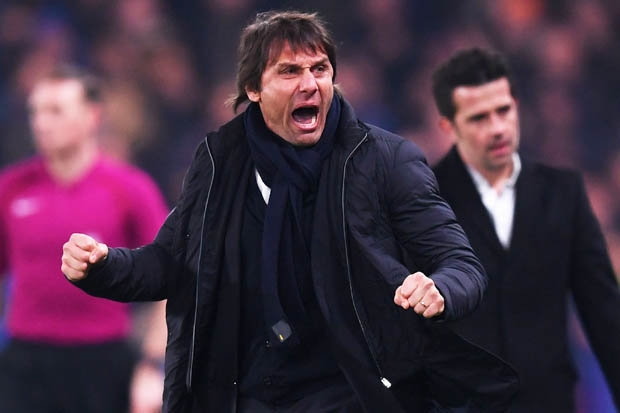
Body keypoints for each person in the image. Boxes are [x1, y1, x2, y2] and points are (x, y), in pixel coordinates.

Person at [62, 11, 518, 412]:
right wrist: (103, 266)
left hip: (352, 391)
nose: (309, 83)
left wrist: (439, 289)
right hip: (248, 393)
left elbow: (462, 265)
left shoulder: (385, 161)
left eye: (320, 69)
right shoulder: (221, 164)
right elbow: (170, 264)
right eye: (289, 71)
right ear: (253, 89)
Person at [431, 47, 620, 413]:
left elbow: (604, 316)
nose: (497, 128)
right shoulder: (426, 198)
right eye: (479, 118)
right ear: (449, 127)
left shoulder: (563, 193)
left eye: (503, 111)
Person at [0, 65, 169, 413]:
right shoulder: (11, 188)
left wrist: (153, 365)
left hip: (102, 362)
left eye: (55, 111)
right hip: (25, 363)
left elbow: (171, 277)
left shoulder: (129, 189)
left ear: (93, 116)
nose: (41, 123)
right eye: (35, 111)